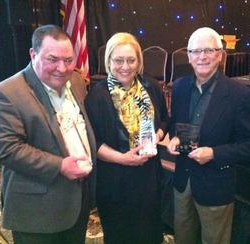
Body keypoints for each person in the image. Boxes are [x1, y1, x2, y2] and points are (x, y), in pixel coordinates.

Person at [0, 24, 96, 244]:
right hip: (38, 212)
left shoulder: (76, 81)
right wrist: (60, 166)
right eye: (52, 59)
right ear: (33, 54)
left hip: (77, 201)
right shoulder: (7, 92)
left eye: (68, 60)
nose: (62, 68)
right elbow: (5, 148)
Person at [167, 26, 250, 244]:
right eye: (196, 52)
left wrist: (214, 153)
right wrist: (175, 138)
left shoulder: (240, 95)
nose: (202, 57)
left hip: (216, 184)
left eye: (209, 50)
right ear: (188, 57)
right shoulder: (178, 88)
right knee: (183, 237)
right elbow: (174, 126)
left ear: (220, 54)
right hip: (183, 181)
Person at [85, 32, 169, 244]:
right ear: (109, 61)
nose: (125, 66)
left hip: (148, 176)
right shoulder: (97, 95)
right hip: (115, 179)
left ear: (139, 61)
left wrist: (157, 135)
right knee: (121, 234)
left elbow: (165, 121)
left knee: (149, 231)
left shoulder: (151, 87)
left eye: (131, 60)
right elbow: (92, 141)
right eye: (118, 60)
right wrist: (123, 158)